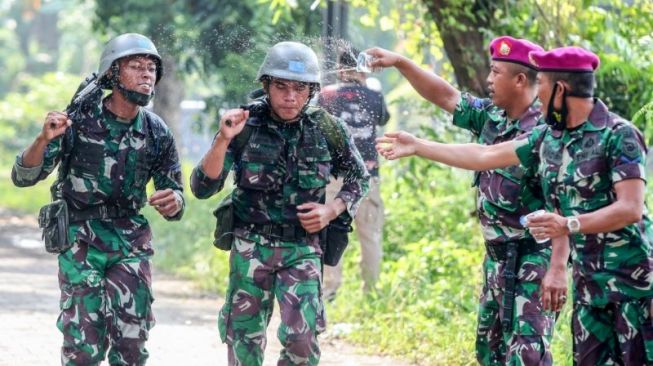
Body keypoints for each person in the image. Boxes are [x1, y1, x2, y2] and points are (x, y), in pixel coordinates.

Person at [376, 46, 653, 366]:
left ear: (559, 89)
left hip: (633, 282)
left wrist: (568, 229)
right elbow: (484, 156)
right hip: (589, 285)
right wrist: (419, 146)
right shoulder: (550, 138)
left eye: (543, 87)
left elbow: (631, 208)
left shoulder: (619, 135)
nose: (539, 95)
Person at [366, 37, 566, 365]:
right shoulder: (492, 117)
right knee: (490, 354)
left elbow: (483, 156)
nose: (488, 80)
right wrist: (400, 61)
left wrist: (418, 145)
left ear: (519, 80)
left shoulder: (545, 130)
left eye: (495, 72)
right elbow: (445, 95)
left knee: (527, 357)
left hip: (534, 259)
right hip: (496, 259)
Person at [190, 41, 369, 366]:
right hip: (250, 247)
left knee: (302, 341)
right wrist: (223, 139)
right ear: (266, 86)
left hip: (302, 248)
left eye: (299, 88)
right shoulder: (244, 125)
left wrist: (331, 210)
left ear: (312, 90)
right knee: (244, 341)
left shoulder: (327, 128)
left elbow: (360, 178)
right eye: (281, 86)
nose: (290, 96)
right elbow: (203, 187)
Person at [11, 33, 185, 365]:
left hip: (130, 240)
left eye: (151, 69)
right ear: (112, 74)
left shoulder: (157, 131)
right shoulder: (77, 122)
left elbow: (174, 194)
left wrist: (174, 200)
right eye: (136, 67)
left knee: (132, 342)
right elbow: (24, 176)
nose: (147, 75)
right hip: (81, 239)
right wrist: (42, 138)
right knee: (83, 346)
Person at [317, 47, 390, 297]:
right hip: (368, 175)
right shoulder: (374, 96)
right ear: (362, 68)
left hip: (333, 176)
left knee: (329, 228)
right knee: (370, 235)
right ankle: (371, 291)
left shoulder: (326, 95)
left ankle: (329, 290)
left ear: (339, 68)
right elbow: (383, 119)